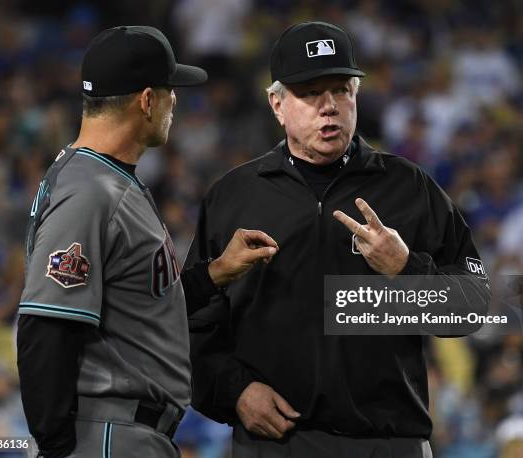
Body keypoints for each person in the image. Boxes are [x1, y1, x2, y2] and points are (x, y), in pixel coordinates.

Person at [185, 21, 491, 458]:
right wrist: (235, 391)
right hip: (276, 443)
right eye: (310, 93)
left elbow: (476, 305)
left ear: (357, 95)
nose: (329, 106)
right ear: (277, 104)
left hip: (388, 442)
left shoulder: (408, 188)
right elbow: (193, 323)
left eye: (341, 90)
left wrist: (407, 270)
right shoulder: (234, 196)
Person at [17, 26, 277, 458]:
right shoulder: (91, 191)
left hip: (125, 433)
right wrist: (56, 445)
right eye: (170, 89)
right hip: (105, 434)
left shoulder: (104, 179)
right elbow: (45, 324)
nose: (176, 100)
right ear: (147, 100)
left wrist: (213, 275)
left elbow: (137, 303)